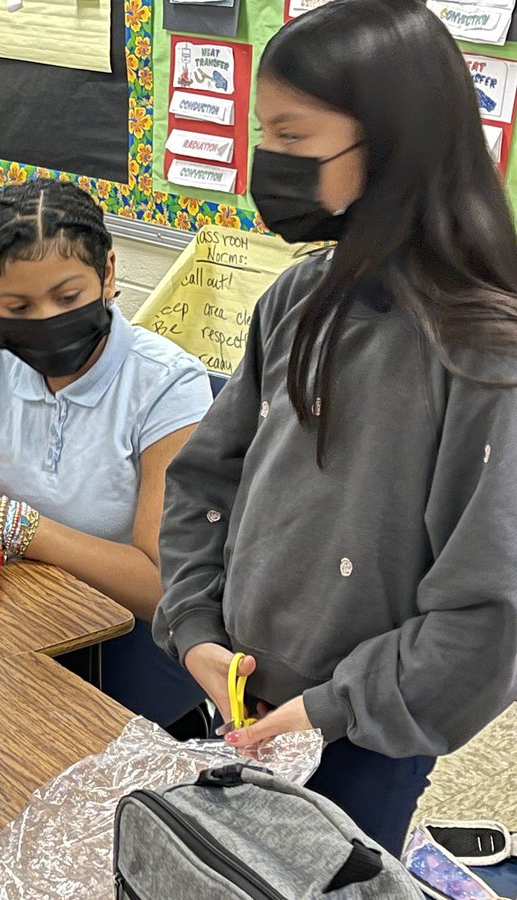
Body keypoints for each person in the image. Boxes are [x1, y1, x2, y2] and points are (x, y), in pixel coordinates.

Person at [152, 0, 517, 856]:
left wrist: (331, 706)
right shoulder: (298, 298)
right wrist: (196, 628)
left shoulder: (482, 359)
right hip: (238, 695)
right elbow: (209, 482)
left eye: (291, 137)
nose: (265, 162)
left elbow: (488, 614)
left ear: (392, 148)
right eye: (261, 133)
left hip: (365, 733)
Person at [0, 179, 213, 727]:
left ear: (108, 274)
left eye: (68, 297)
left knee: (21, 734)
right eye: (18, 306)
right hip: (27, 604)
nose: (46, 319)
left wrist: (17, 527)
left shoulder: (166, 386)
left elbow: (161, 589)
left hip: (134, 638)